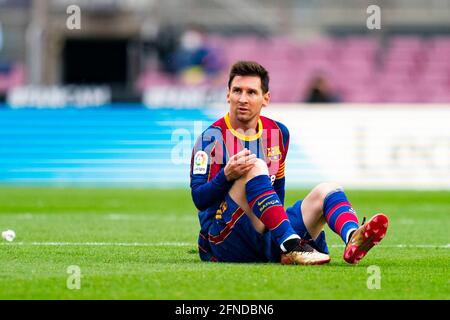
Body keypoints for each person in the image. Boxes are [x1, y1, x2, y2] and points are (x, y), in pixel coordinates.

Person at [190, 61, 388, 265]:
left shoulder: (278, 133)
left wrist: (278, 227)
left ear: (265, 98)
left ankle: (353, 237)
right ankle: (291, 245)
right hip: (224, 241)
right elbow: (199, 199)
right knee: (255, 166)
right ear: (227, 95)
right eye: (237, 91)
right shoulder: (209, 139)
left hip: (267, 233)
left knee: (328, 190)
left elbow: (277, 190)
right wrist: (226, 175)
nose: (242, 99)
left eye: (251, 92)